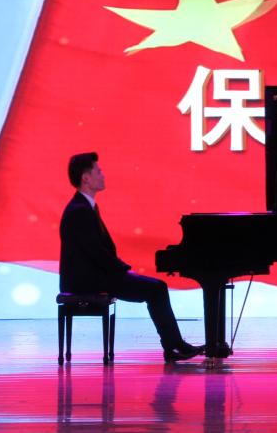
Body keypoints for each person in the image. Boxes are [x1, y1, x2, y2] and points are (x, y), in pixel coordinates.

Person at [60, 152, 203, 362]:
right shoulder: (79, 210)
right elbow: (96, 252)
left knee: (156, 288)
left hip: (96, 275)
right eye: (98, 171)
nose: (103, 175)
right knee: (156, 289)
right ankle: (173, 346)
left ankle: (173, 346)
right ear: (86, 178)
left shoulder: (85, 206)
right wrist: (123, 270)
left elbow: (98, 251)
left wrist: (122, 271)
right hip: (88, 280)